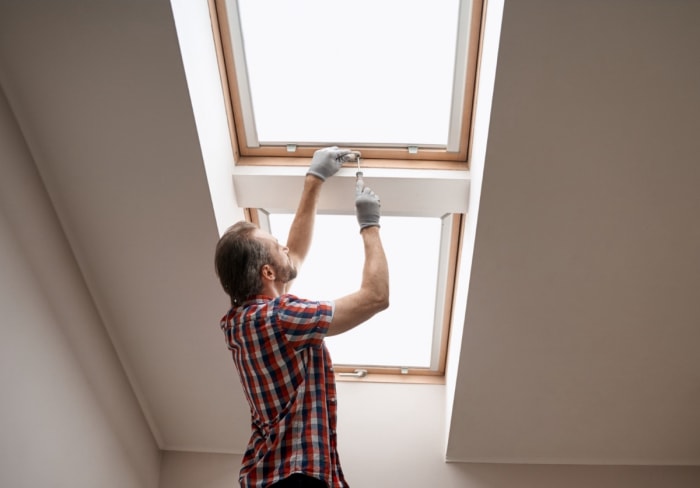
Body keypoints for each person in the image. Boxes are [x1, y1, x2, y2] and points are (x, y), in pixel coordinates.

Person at [215, 146, 390, 488]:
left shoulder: (240, 321)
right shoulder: (280, 317)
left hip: (274, 475)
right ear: (267, 272)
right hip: (294, 476)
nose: (284, 246)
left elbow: (290, 257)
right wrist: (370, 226)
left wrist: (315, 180)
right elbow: (376, 297)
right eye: (275, 244)